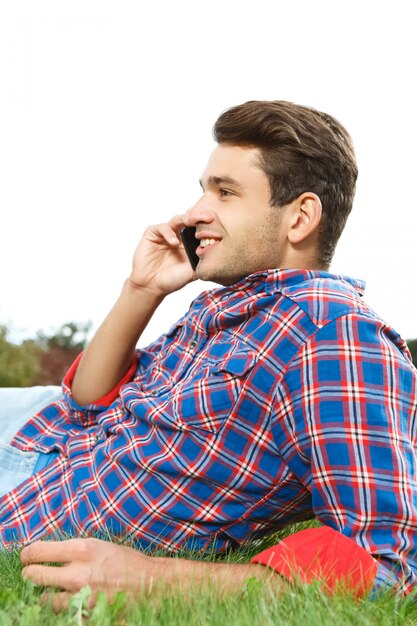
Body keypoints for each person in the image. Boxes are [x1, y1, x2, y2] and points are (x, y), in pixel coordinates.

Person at [1, 101, 416, 605]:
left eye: (225, 192)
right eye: (203, 190)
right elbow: (87, 403)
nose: (196, 212)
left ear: (301, 217)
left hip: (28, 485)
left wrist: (155, 578)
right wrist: (142, 288)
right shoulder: (229, 305)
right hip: (38, 431)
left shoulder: (333, 334)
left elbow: (385, 562)